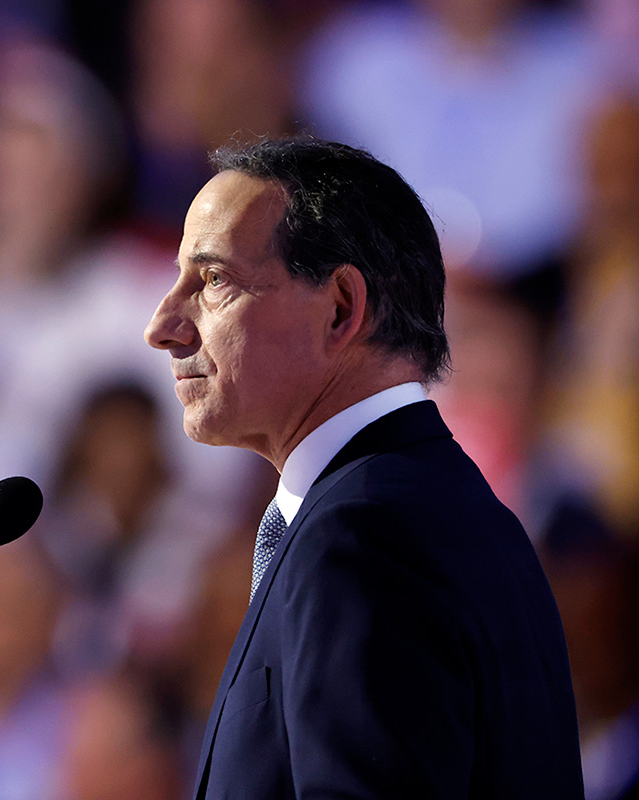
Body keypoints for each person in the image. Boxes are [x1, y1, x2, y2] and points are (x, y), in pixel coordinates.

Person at [143, 137, 582, 798]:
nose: (163, 324)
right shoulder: (459, 513)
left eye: (212, 281)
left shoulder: (361, 537)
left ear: (342, 307)